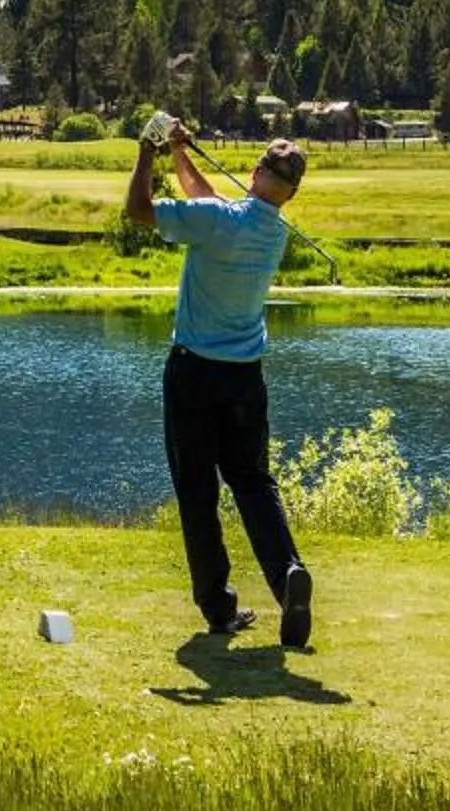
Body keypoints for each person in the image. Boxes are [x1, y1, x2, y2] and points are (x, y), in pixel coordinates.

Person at [122, 119, 315, 648]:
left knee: (197, 491)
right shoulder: (273, 231)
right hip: (246, 379)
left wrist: (148, 153)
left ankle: (218, 608)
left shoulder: (218, 221)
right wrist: (184, 155)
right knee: (253, 483)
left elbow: (139, 213)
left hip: (194, 375)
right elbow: (209, 205)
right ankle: (287, 574)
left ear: (254, 172)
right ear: (291, 193)